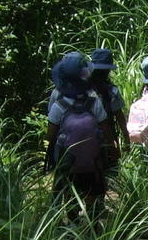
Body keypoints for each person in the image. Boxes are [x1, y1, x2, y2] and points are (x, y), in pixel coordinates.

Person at [46, 50, 110, 212]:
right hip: (92, 158)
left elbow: (50, 134)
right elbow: (105, 126)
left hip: (67, 159)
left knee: (68, 188)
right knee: (93, 189)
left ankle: (72, 221)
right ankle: (93, 219)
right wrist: (110, 148)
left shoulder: (58, 103)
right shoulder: (94, 100)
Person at [87, 47, 126, 166]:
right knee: (110, 175)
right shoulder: (112, 91)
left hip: (86, 139)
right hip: (108, 140)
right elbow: (120, 117)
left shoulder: (83, 90)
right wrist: (127, 138)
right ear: (108, 70)